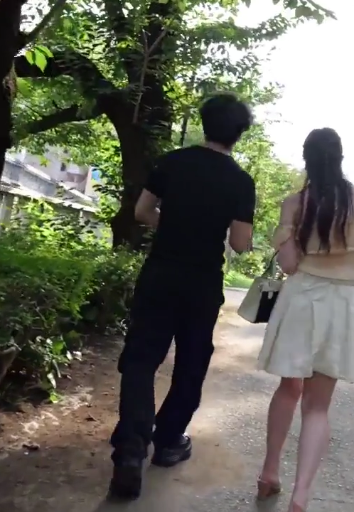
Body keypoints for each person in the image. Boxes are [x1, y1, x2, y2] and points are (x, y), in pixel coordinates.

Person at [108, 93, 256, 500]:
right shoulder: (240, 181)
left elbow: (142, 212)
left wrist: (173, 223)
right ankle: (169, 439)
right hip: (202, 282)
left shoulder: (171, 163)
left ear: (205, 123)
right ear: (238, 133)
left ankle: (130, 450)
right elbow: (240, 242)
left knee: (141, 359)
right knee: (191, 362)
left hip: (160, 274)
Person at [254, 128, 354, 512]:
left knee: (288, 389)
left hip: (301, 299)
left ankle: (269, 473)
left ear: (306, 159)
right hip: (340, 303)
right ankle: (301, 494)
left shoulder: (295, 204)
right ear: (340, 157)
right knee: (317, 406)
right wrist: (340, 271)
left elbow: (289, 265)